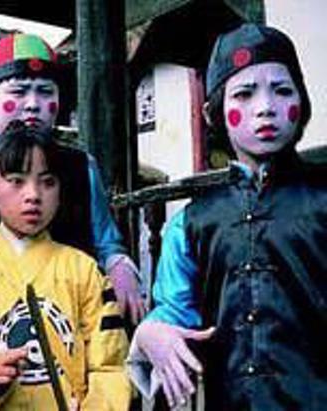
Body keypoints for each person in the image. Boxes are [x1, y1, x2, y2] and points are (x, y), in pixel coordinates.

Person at [127, 23, 327, 410]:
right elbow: (174, 309)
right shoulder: (191, 224)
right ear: (213, 111)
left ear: (302, 100)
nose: (265, 107)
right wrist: (152, 332)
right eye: (244, 94)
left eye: (282, 90)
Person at [0, 32, 145, 324]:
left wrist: (119, 265)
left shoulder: (81, 167)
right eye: (19, 92)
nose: (33, 104)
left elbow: (106, 242)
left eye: (45, 92)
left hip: (68, 318)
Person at [0, 123, 131, 410]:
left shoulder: (85, 271)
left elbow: (110, 366)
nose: (33, 195)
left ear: (61, 191)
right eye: (17, 181)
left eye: (47, 182)